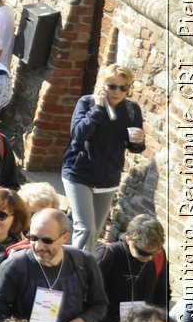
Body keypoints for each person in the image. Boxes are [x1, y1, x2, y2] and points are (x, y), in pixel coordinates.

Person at [62, 64, 148, 252]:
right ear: (102, 85)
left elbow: (134, 147)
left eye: (123, 87)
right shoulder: (87, 103)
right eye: (112, 86)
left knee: (95, 231)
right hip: (78, 173)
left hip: (108, 179)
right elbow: (78, 134)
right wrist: (98, 109)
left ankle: (85, 266)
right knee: (85, 228)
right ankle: (80, 274)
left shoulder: (132, 110)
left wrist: (139, 141)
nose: (117, 92)